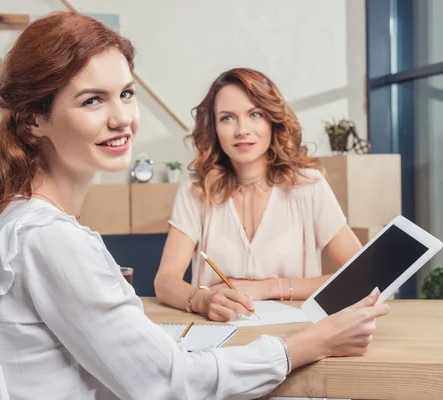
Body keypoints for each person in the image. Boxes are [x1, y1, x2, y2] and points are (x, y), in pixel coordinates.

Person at [0, 11, 389, 400]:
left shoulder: (7, 218)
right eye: (93, 100)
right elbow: (168, 383)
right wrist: (312, 343)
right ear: (33, 120)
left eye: (127, 94)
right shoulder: (47, 238)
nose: (123, 119)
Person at [154, 68, 363, 322]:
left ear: (273, 121)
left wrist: (269, 287)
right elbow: (165, 281)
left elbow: (361, 276)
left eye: (255, 114)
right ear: (214, 128)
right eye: (227, 118)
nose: (242, 130)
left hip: (297, 338)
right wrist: (204, 300)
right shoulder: (196, 189)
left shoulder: (309, 186)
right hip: (218, 338)